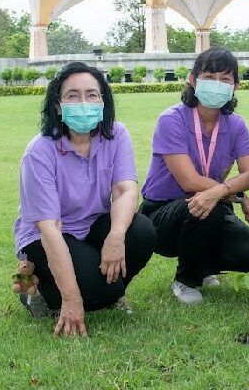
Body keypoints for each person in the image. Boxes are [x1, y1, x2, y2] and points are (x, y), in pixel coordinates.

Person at [13, 62, 156, 336]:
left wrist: (115, 235)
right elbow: (49, 228)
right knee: (91, 290)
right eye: (72, 95)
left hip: (92, 225)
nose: (83, 102)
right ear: (58, 106)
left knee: (141, 231)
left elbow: (126, 190)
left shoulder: (116, 135)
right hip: (49, 235)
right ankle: (41, 292)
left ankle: (106, 294)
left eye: (92, 94)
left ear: (103, 101)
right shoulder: (39, 152)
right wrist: (71, 300)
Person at [140, 47, 249, 304]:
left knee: (248, 253)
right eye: (209, 77)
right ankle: (186, 281)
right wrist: (234, 194)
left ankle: (205, 266)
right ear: (193, 80)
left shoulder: (236, 124)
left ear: (235, 86)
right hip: (161, 214)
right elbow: (189, 181)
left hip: (212, 204)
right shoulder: (171, 120)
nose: (216, 84)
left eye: (225, 79)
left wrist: (230, 193)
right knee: (208, 203)